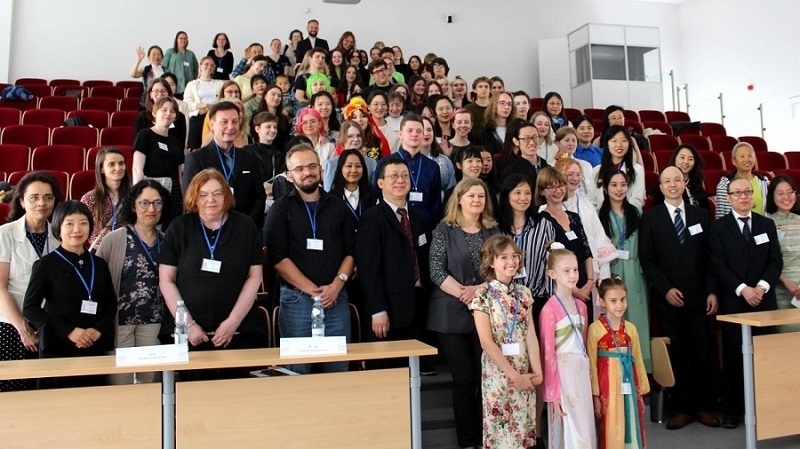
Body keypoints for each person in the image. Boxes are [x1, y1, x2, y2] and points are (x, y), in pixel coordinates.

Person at [159, 169, 267, 379]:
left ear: (226, 196)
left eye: (217, 193)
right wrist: (188, 325)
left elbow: (255, 276)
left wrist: (232, 322)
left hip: (239, 331)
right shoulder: (179, 227)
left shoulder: (245, 226)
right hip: (188, 333)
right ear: (194, 198)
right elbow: (166, 280)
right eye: (203, 194)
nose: (211, 200)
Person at [639, 165, 720, 430]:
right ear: (660, 187)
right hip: (669, 299)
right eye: (667, 181)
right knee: (678, 352)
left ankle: (704, 406)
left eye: (677, 180)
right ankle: (682, 408)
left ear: (684, 183)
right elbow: (647, 260)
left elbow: (710, 256)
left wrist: (711, 290)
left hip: (699, 297)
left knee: (702, 350)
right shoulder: (650, 218)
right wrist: (665, 289)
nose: (672, 184)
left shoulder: (701, 215)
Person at [264, 143, 355, 374]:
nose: (307, 172)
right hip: (297, 300)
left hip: (336, 298)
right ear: (289, 175)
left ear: (321, 170)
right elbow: (278, 258)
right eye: (300, 168)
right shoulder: (280, 210)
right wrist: (314, 292)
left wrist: (336, 285)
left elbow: (351, 252)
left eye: (312, 166)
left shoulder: (338, 207)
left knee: (338, 369)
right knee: (296, 371)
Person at [428, 177, 499, 449]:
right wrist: (463, 293)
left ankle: (485, 438)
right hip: (450, 315)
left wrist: (477, 291)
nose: (476, 200)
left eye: (481, 196)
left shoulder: (493, 230)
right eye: (471, 196)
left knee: (485, 377)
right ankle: (467, 442)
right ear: (459, 199)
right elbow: (436, 270)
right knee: (464, 379)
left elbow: (501, 270)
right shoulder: (443, 230)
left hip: (486, 313)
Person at [709, 177, 782, 429]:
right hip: (735, 302)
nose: (743, 197)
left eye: (747, 192)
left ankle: (767, 409)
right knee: (734, 356)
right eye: (737, 193)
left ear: (753, 196)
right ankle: (733, 410)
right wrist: (743, 290)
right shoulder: (718, 228)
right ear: (728, 198)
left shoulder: (766, 224)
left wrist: (760, 287)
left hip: (764, 300)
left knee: (765, 356)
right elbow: (717, 264)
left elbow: (775, 261)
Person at [23, 201, 117, 388]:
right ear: (58, 227)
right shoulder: (46, 265)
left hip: (92, 345)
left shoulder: (99, 264)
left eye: (83, 223)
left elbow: (110, 304)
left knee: (93, 400)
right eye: (69, 224)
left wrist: (97, 330)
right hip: (58, 348)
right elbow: (30, 308)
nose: (77, 229)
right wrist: (69, 331)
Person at [470, 235, 543, 448]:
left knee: (522, 430)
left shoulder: (525, 293)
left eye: (515, 256)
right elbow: (486, 342)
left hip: (523, 369)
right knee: (500, 432)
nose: (511, 261)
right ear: (491, 261)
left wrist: (537, 373)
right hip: (498, 373)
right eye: (503, 257)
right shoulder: (482, 295)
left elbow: (531, 335)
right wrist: (514, 376)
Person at [356, 159, 430, 365]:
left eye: (405, 176)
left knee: (413, 374)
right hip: (388, 310)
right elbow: (369, 269)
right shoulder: (372, 218)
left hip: (417, 306)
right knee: (388, 371)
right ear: (380, 183)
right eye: (394, 176)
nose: (400, 180)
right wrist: (378, 311)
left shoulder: (419, 218)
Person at [97, 180, 170, 384]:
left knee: (151, 381)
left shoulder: (167, 241)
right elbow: (98, 280)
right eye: (144, 203)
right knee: (121, 381)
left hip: (154, 320)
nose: (151, 209)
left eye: (157, 203)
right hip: (120, 321)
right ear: (133, 206)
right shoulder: (113, 239)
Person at [0, 172, 62, 391]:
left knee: (45, 394)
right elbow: (0, 288)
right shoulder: (5, 234)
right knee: (13, 393)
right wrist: (22, 328)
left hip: (49, 327)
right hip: (11, 326)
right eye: (34, 197)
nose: (41, 203)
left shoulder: (60, 236)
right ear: (21, 201)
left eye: (48, 197)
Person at [539, 243, 597, 449]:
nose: (573, 275)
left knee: (585, 424)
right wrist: (552, 393)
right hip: (562, 374)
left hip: (581, 371)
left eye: (575, 269)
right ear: (552, 274)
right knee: (569, 425)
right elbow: (547, 354)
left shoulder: (582, 306)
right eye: (566, 271)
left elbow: (584, 343)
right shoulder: (549, 310)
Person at [597, 170, 651, 371]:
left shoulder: (636, 212)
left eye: (623, 184)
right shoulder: (599, 214)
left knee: (637, 321)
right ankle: (615, 370)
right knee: (615, 319)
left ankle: (640, 371)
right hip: (612, 270)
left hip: (635, 271)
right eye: (614, 185)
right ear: (605, 188)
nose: (619, 189)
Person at [588, 277, 650, 449]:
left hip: (629, 384)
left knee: (632, 421)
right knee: (610, 425)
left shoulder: (631, 329)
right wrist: (595, 396)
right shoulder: (595, 329)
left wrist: (640, 393)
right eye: (613, 301)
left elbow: (638, 360)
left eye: (623, 299)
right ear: (602, 302)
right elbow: (592, 364)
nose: (619, 305)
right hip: (607, 386)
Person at [183, 101, 266, 230]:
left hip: (244, 229)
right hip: (208, 230)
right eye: (224, 122)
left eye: (235, 122)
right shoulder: (196, 159)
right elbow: (191, 199)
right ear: (212, 125)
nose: (230, 127)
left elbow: (259, 196)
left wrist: (247, 224)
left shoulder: (249, 158)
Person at [535, 168, 595, 316]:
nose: (558, 190)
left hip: (583, 281)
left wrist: (590, 281)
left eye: (561, 185)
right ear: (541, 191)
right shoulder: (541, 220)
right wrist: (574, 290)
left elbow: (586, 252)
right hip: (561, 287)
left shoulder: (574, 217)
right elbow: (549, 259)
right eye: (551, 187)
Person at [373, 114, 442, 229]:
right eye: (410, 131)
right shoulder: (385, 163)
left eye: (419, 131)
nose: (414, 134)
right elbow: (377, 194)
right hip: (392, 225)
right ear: (400, 134)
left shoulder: (432, 166)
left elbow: (435, 203)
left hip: (424, 226)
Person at [132, 97, 185, 225]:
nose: (168, 113)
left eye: (172, 111)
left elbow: (180, 175)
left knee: (170, 228)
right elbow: (137, 169)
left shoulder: (176, 142)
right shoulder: (145, 135)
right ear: (154, 113)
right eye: (164, 110)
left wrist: (184, 197)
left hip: (173, 192)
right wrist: (138, 194)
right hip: (150, 187)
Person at [765, 175, 800, 333]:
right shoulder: (765, 223)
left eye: (790, 192)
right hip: (781, 290)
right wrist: (786, 282)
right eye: (780, 193)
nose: (786, 197)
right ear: (772, 196)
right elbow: (765, 260)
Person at [81, 148, 132, 250]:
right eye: (111, 164)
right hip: (101, 250)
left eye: (121, 163)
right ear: (102, 169)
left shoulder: (134, 196)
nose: (118, 168)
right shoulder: (89, 198)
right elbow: (91, 232)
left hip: (129, 248)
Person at [590, 126, 645, 210]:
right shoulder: (596, 171)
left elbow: (637, 200)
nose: (619, 145)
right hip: (599, 216)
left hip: (629, 215)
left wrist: (622, 215)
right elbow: (591, 200)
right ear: (607, 144)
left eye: (624, 140)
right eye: (614, 141)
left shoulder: (637, 169)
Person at [242, 112, 289, 206]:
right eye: (268, 127)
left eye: (275, 127)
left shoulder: (279, 155)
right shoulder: (246, 152)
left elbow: (282, 177)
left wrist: (273, 187)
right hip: (251, 200)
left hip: (274, 200)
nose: (273, 130)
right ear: (257, 129)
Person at [715, 142, 769, 218]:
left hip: (761, 224)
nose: (746, 159)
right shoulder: (724, 184)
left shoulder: (765, 182)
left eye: (750, 156)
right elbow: (721, 215)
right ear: (733, 161)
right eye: (742, 156)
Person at [134, 79, 187, 147]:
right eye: (156, 91)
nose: (160, 94)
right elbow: (137, 143)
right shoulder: (142, 116)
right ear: (151, 94)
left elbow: (181, 144)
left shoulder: (179, 116)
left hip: (173, 152)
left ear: (168, 94)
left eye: (163, 91)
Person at [326, 148, 376, 220]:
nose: (354, 170)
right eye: (349, 166)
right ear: (341, 168)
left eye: (358, 166)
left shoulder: (372, 197)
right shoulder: (330, 199)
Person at [501, 121, 550, 185]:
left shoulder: (548, 168)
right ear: (516, 141)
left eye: (535, 137)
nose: (532, 142)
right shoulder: (511, 171)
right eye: (526, 139)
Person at [342, 97, 391, 161]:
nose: (359, 120)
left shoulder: (378, 141)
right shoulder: (344, 141)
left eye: (363, 116)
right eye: (354, 117)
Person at [666, 143, 710, 210]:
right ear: (675, 158)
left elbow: (706, 211)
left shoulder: (697, 184)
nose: (686, 162)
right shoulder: (665, 184)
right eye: (682, 158)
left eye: (690, 159)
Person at [420, 115, 456, 193]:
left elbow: (451, 190)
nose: (426, 133)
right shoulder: (406, 161)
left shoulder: (445, 161)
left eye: (429, 130)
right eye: (421, 130)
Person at [162, 31, 198, 98]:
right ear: (176, 40)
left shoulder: (191, 54)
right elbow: (164, 67)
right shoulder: (170, 52)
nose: (183, 40)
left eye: (185, 38)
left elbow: (196, 69)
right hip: (174, 86)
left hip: (188, 85)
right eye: (181, 38)